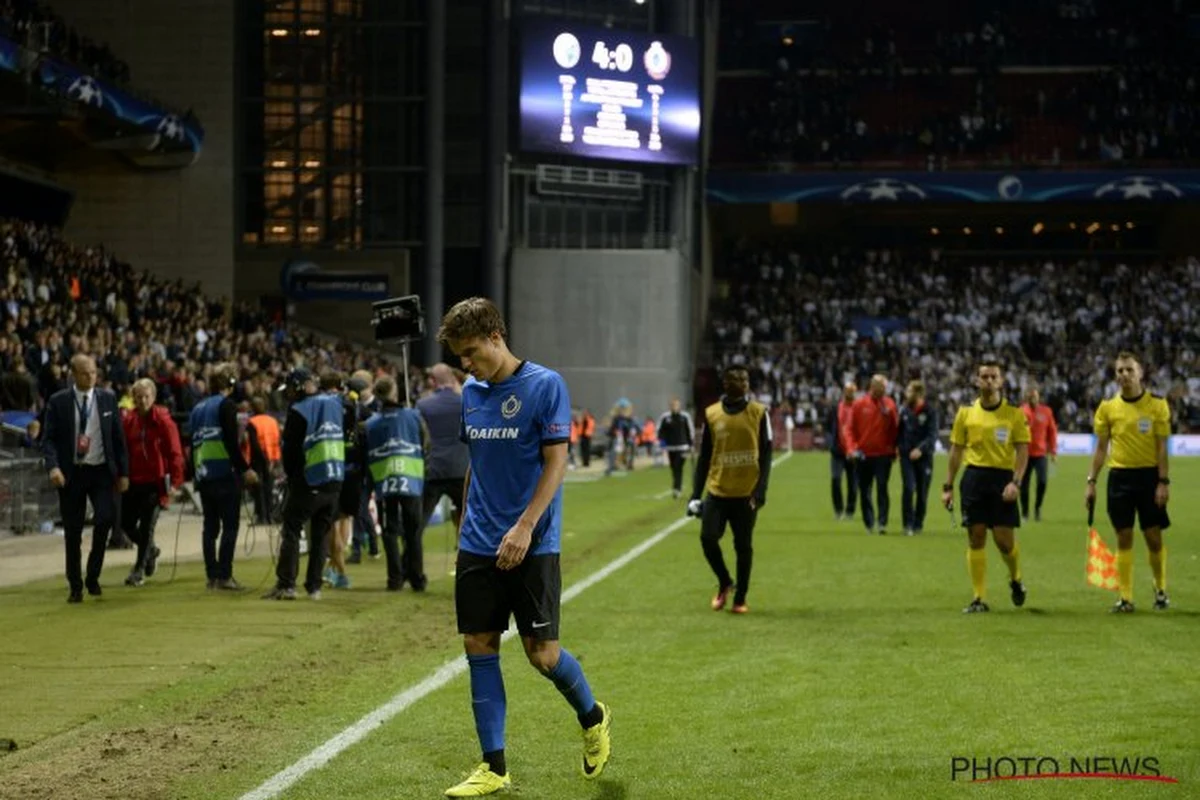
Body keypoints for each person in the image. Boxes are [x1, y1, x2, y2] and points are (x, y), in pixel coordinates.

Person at [436, 297, 610, 797]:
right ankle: (493, 766)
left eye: (471, 352)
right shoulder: (471, 391)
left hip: (532, 543)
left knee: (543, 655)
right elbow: (477, 464)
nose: (466, 364)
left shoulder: (545, 385)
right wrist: (465, 524)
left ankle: (593, 716)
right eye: (460, 357)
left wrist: (526, 526)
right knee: (479, 647)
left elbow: (557, 463)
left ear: (496, 336)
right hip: (478, 543)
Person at [942, 358, 1030, 614]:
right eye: (985, 376)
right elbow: (956, 452)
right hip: (974, 479)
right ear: (977, 380)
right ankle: (979, 598)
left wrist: (1016, 482)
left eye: (994, 377)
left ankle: (1016, 578)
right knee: (975, 537)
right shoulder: (966, 414)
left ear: (1001, 381)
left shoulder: (1014, 414)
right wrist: (947, 486)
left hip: (1003, 480)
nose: (989, 381)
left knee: (1004, 542)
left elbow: (1023, 451)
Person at [1085, 352, 1171, 613]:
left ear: (1140, 373)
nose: (1124, 375)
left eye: (1129, 370)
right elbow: (1101, 449)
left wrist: (1163, 482)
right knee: (1123, 537)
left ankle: (1160, 589)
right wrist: (1091, 481)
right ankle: (1125, 598)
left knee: (1153, 537)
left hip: (1148, 478)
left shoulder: (1157, 405)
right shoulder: (1108, 408)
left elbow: (1161, 449)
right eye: (1120, 371)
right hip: (1119, 478)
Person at [41, 354, 130, 603]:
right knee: (73, 532)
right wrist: (53, 467)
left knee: (104, 520)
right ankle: (75, 585)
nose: (91, 377)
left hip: (101, 471)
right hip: (71, 474)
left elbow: (118, 439)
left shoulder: (107, 399)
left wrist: (123, 473)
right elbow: (47, 439)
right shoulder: (58, 402)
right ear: (73, 375)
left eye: (93, 372)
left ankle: (93, 575)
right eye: (85, 373)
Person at [687, 365, 772, 614]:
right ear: (725, 384)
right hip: (718, 491)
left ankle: (740, 598)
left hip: (746, 494)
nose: (741, 383)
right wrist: (695, 494)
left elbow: (767, 454)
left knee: (743, 545)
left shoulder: (759, 413)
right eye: (735, 379)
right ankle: (725, 581)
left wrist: (760, 491)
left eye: (744, 379)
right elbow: (704, 458)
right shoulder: (712, 414)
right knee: (707, 538)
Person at [263, 367, 344, 601]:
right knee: (320, 534)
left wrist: (292, 478)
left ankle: (287, 584)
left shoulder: (299, 410)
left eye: (289, 388)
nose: (287, 393)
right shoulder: (336, 404)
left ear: (297, 386)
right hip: (334, 480)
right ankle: (314, 587)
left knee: (291, 529)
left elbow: (290, 452)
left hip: (309, 481)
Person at [189, 363, 259, 591]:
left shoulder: (197, 408)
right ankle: (225, 576)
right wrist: (245, 469)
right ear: (231, 383)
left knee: (210, 528)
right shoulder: (227, 405)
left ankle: (212, 576)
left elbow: (193, 444)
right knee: (230, 526)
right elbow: (230, 442)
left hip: (204, 474)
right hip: (224, 475)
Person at [363, 375, 430, 591]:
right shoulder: (413, 416)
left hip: (384, 482)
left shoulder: (370, 424)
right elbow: (425, 443)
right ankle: (417, 577)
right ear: (393, 392)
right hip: (411, 479)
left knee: (390, 531)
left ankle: (395, 579)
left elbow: (365, 453)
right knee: (413, 531)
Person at [120, 378, 184, 586]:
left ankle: (138, 570)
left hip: (155, 483)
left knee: (147, 526)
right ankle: (151, 551)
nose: (142, 400)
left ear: (153, 397)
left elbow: (175, 453)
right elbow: (124, 451)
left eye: (146, 396)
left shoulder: (164, 422)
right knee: (126, 524)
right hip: (134, 481)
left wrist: (175, 482)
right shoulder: (129, 421)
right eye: (138, 397)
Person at [418, 362, 469, 540]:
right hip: (461, 469)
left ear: (432, 381)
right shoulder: (466, 402)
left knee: (418, 524)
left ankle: (410, 566)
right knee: (469, 522)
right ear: (453, 378)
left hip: (433, 469)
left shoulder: (422, 405)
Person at [845, 374, 899, 534]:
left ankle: (882, 522)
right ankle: (869, 523)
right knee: (865, 489)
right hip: (863, 454)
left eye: (885, 387)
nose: (884, 390)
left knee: (882, 488)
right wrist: (851, 449)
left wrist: (894, 449)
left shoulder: (889, 405)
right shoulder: (859, 404)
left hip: (884, 454)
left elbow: (895, 430)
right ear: (873, 386)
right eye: (882, 387)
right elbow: (849, 429)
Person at [325, 370, 358, 589]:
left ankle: (340, 571)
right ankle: (336, 566)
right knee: (345, 518)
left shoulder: (324, 405)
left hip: (332, 466)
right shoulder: (351, 405)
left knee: (331, 522)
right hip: (352, 469)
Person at [898, 380, 937, 536]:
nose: (906, 394)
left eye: (909, 391)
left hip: (924, 457)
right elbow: (900, 432)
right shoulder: (905, 410)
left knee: (922, 492)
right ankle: (907, 524)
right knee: (908, 487)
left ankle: (918, 524)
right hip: (906, 456)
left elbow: (932, 435)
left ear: (918, 393)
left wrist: (921, 449)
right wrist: (898, 448)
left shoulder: (930, 411)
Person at [1020, 388, 1058, 522]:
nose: (1033, 399)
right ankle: (1025, 513)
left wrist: (1053, 451)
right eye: (1030, 397)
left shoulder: (1046, 411)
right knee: (1023, 484)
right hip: (1024, 454)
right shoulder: (1021, 412)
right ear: (1026, 398)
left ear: (1038, 397)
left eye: (1035, 396)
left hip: (1040, 453)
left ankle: (1037, 508)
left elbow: (1052, 431)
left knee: (1042, 481)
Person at [245, 396, 281, 525]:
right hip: (272, 457)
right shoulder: (273, 421)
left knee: (258, 488)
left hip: (258, 459)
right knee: (269, 487)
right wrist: (274, 459)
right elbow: (277, 440)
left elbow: (254, 444)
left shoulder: (252, 422)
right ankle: (271, 515)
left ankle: (261, 516)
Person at [827, 382, 858, 521]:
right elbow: (828, 427)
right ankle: (838, 510)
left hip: (853, 452)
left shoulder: (858, 409)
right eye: (847, 390)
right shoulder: (835, 409)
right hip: (837, 451)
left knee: (853, 483)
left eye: (852, 391)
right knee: (836, 480)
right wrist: (831, 444)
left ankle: (850, 511)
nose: (849, 393)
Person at [657, 398, 695, 499]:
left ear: (679, 406)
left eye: (676, 405)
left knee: (678, 467)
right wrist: (662, 442)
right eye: (672, 405)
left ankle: (676, 488)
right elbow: (660, 431)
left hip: (682, 447)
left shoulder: (685, 416)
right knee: (673, 468)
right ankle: (677, 486)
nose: (674, 407)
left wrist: (691, 444)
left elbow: (690, 430)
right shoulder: (665, 417)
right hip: (670, 447)